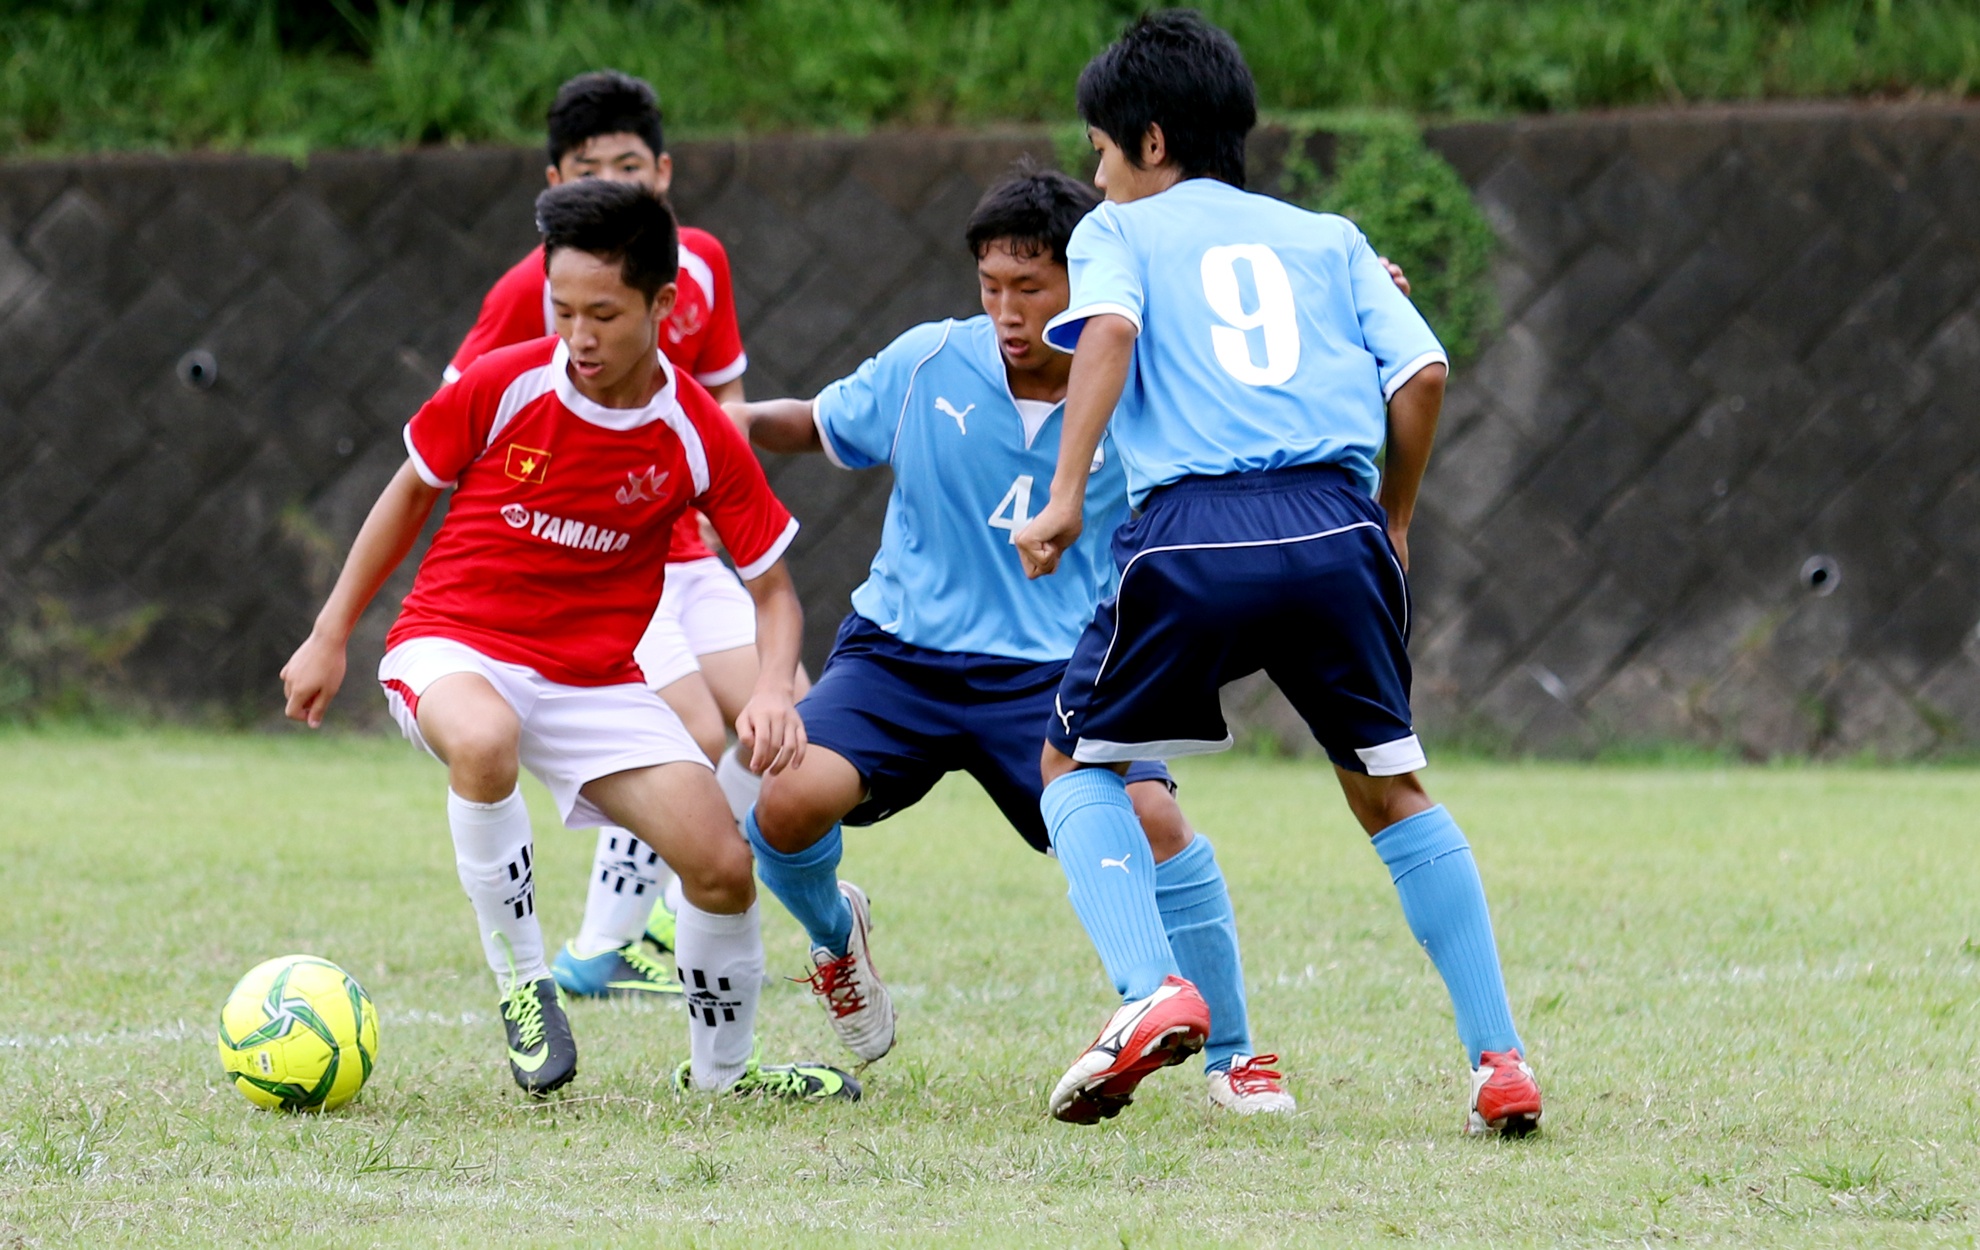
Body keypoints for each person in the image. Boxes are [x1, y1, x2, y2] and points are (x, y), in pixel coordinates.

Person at [1014, 11, 1544, 1135]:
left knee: (1072, 755)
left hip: (1194, 529)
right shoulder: (1328, 236)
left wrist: (1064, 495)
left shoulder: (1119, 228)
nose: (1093, 170)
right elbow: (1426, 373)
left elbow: (1103, 337)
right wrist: (1392, 516)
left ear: (1151, 143)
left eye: (1099, 147)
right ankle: (1500, 1059)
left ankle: (1151, 989)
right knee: (1389, 787)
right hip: (1338, 531)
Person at [728, 167, 1308, 1118]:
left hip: (1054, 672)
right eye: (991, 287)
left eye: (1029, 288)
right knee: (783, 804)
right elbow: (813, 423)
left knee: (1159, 827)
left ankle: (1233, 1059)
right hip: (899, 657)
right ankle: (839, 938)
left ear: (1084, 279)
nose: (1005, 309)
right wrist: (707, 425)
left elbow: (1270, 390)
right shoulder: (927, 363)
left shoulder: (1144, 383)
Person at [281, 180, 854, 1103]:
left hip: (595, 683)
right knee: (484, 737)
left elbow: (774, 591)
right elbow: (407, 496)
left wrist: (774, 687)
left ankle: (725, 1079)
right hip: (453, 644)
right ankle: (524, 986)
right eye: (562, 310)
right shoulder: (503, 384)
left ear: (664, 306)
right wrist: (328, 633)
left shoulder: (696, 433)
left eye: (603, 314)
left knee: (720, 866)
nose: (578, 336)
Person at [444, 70, 789, 1001]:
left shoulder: (699, 263)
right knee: (688, 725)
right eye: (590, 169)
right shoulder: (534, 288)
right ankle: (601, 948)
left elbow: (724, 400)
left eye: (630, 165)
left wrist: (722, 493)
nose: (616, 184)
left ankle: (676, 909)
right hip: (597, 558)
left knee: (787, 708)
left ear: (665, 171)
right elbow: (458, 416)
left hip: (688, 546)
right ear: (553, 182)